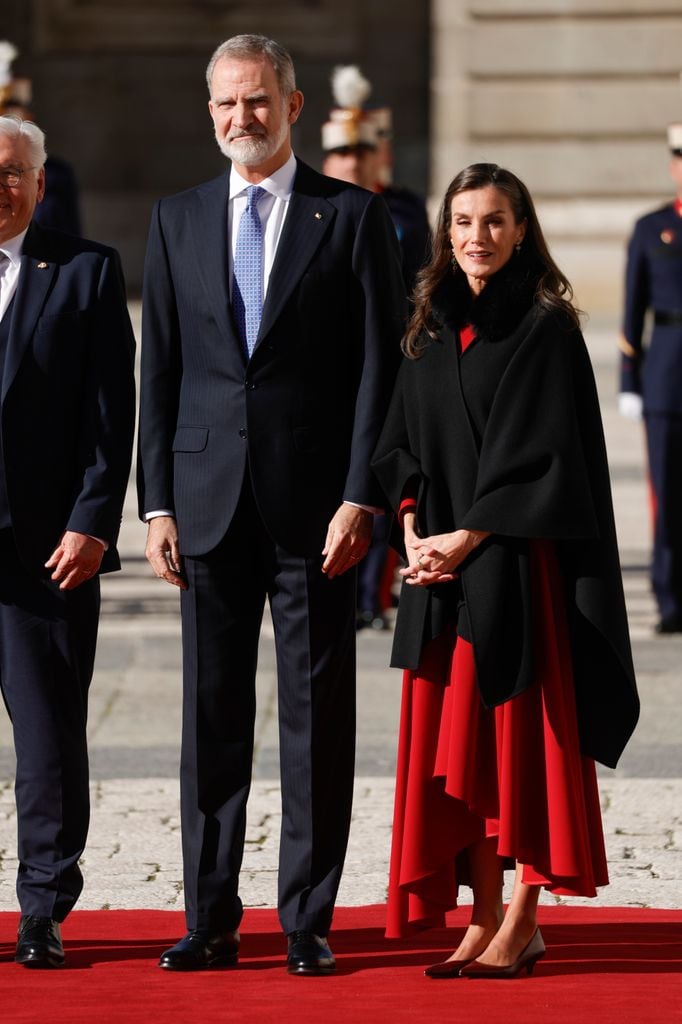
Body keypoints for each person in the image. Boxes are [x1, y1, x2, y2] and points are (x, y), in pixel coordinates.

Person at [137, 34, 405, 975]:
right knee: (210, 718)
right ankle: (209, 916)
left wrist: (361, 496)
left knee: (313, 718)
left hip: (314, 512)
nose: (240, 119)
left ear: (291, 106)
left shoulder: (354, 217)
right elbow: (158, 368)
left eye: (257, 101)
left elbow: (382, 364)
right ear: (207, 111)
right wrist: (155, 502)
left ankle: (307, 917)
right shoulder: (176, 218)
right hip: (205, 504)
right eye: (225, 104)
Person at [372, 163, 639, 978]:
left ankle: (522, 917)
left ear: (521, 230)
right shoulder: (426, 324)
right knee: (463, 756)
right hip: (440, 577)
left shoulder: (544, 328)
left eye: (493, 221)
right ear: (444, 233)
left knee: (518, 753)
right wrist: (415, 525)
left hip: (516, 575)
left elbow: (547, 461)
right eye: (462, 222)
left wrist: (468, 537)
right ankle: (482, 915)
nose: (476, 238)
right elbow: (398, 442)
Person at [0, 114, 135, 968]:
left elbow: (108, 417)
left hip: (44, 551)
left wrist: (91, 521)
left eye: (14, 171)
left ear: (41, 183)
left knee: (49, 738)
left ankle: (44, 906)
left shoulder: (85, 273)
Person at [321, 66, 430, 630]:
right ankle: (344, 584)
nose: (353, 163)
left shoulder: (406, 209)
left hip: (397, 353)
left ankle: (374, 594)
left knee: (387, 472)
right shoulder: (320, 208)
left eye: (363, 153)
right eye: (343, 154)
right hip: (335, 359)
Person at [619, 124, 682, 634]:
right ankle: (669, 597)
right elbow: (632, 308)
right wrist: (629, 379)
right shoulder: (650, 227)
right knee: (668, 491)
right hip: (667, 371)